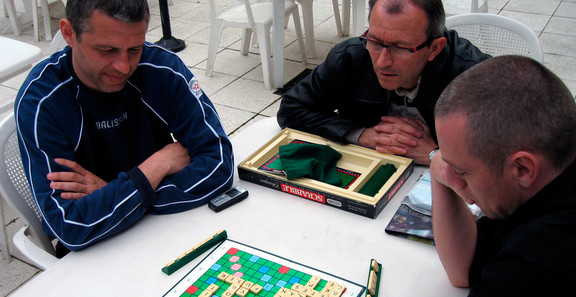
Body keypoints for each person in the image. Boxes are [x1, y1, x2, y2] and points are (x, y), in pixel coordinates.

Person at [14, 0, 234, 253]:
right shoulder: (41, 102)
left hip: (167, 228)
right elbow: (71, 227)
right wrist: (154, 168)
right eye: (107, 50)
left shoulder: (162, 69)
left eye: (134, 49)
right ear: (69, 34)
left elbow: (218, 165)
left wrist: (117, 195)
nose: (124, 66)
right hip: (98, 254)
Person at [277, 0, 490, 165]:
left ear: (434, 48)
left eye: (400, 48)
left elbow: (506, 161)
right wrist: (363, 135)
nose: (382, 62)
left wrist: (434, 155)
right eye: (375, 42)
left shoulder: (475, 78)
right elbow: (292, 108)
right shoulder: (352, 57)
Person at [430, 55, 576, 296]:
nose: (455, 181)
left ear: (523, 169)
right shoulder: (543, 186)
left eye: (463, 172)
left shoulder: (527, 269)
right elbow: (464, 270)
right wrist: (439, 165)